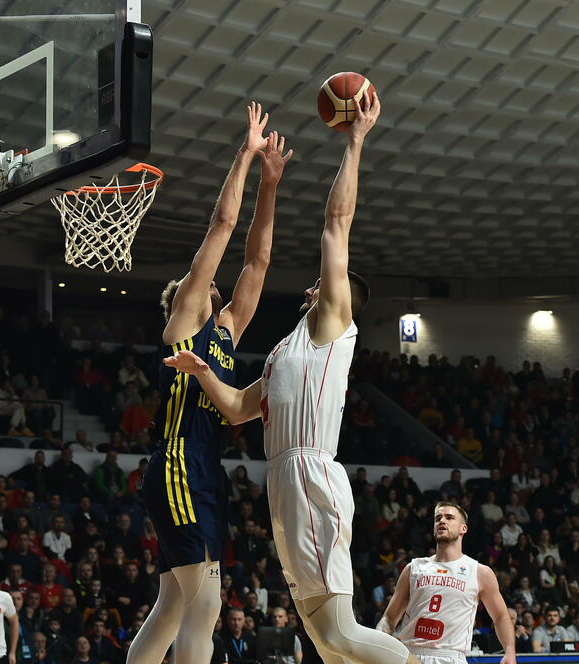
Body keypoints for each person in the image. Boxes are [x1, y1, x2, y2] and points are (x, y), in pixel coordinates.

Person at [163, 92, 415, 664]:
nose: (318, 284)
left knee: (342, 633)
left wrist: (355, 142)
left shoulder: (332, 321)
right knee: (327, 642)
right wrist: (202, 370)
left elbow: (336, 222)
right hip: (284, 480)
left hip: (311, 473)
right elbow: (235, 409)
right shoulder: (285, 350)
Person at [127, 101, 287, 664]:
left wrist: (271, 184)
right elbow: (223, 226)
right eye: (204, 283)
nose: (216, 287)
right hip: (176, 464)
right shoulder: (184, 322)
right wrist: (244, 155)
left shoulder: (222, 332)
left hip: (203, 469)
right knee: (206, 603)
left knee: (173, 604)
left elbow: (259, 262)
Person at [378, 503, 514, 664]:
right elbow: (389, 618)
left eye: (449, 517)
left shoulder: (479, 572)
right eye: (438, 518)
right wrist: (376, 644)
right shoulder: (413, 568)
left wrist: (510, 651)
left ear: (463, 528)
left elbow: (501, 616)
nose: (442, 521)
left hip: (451, 656)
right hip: (410, 654)